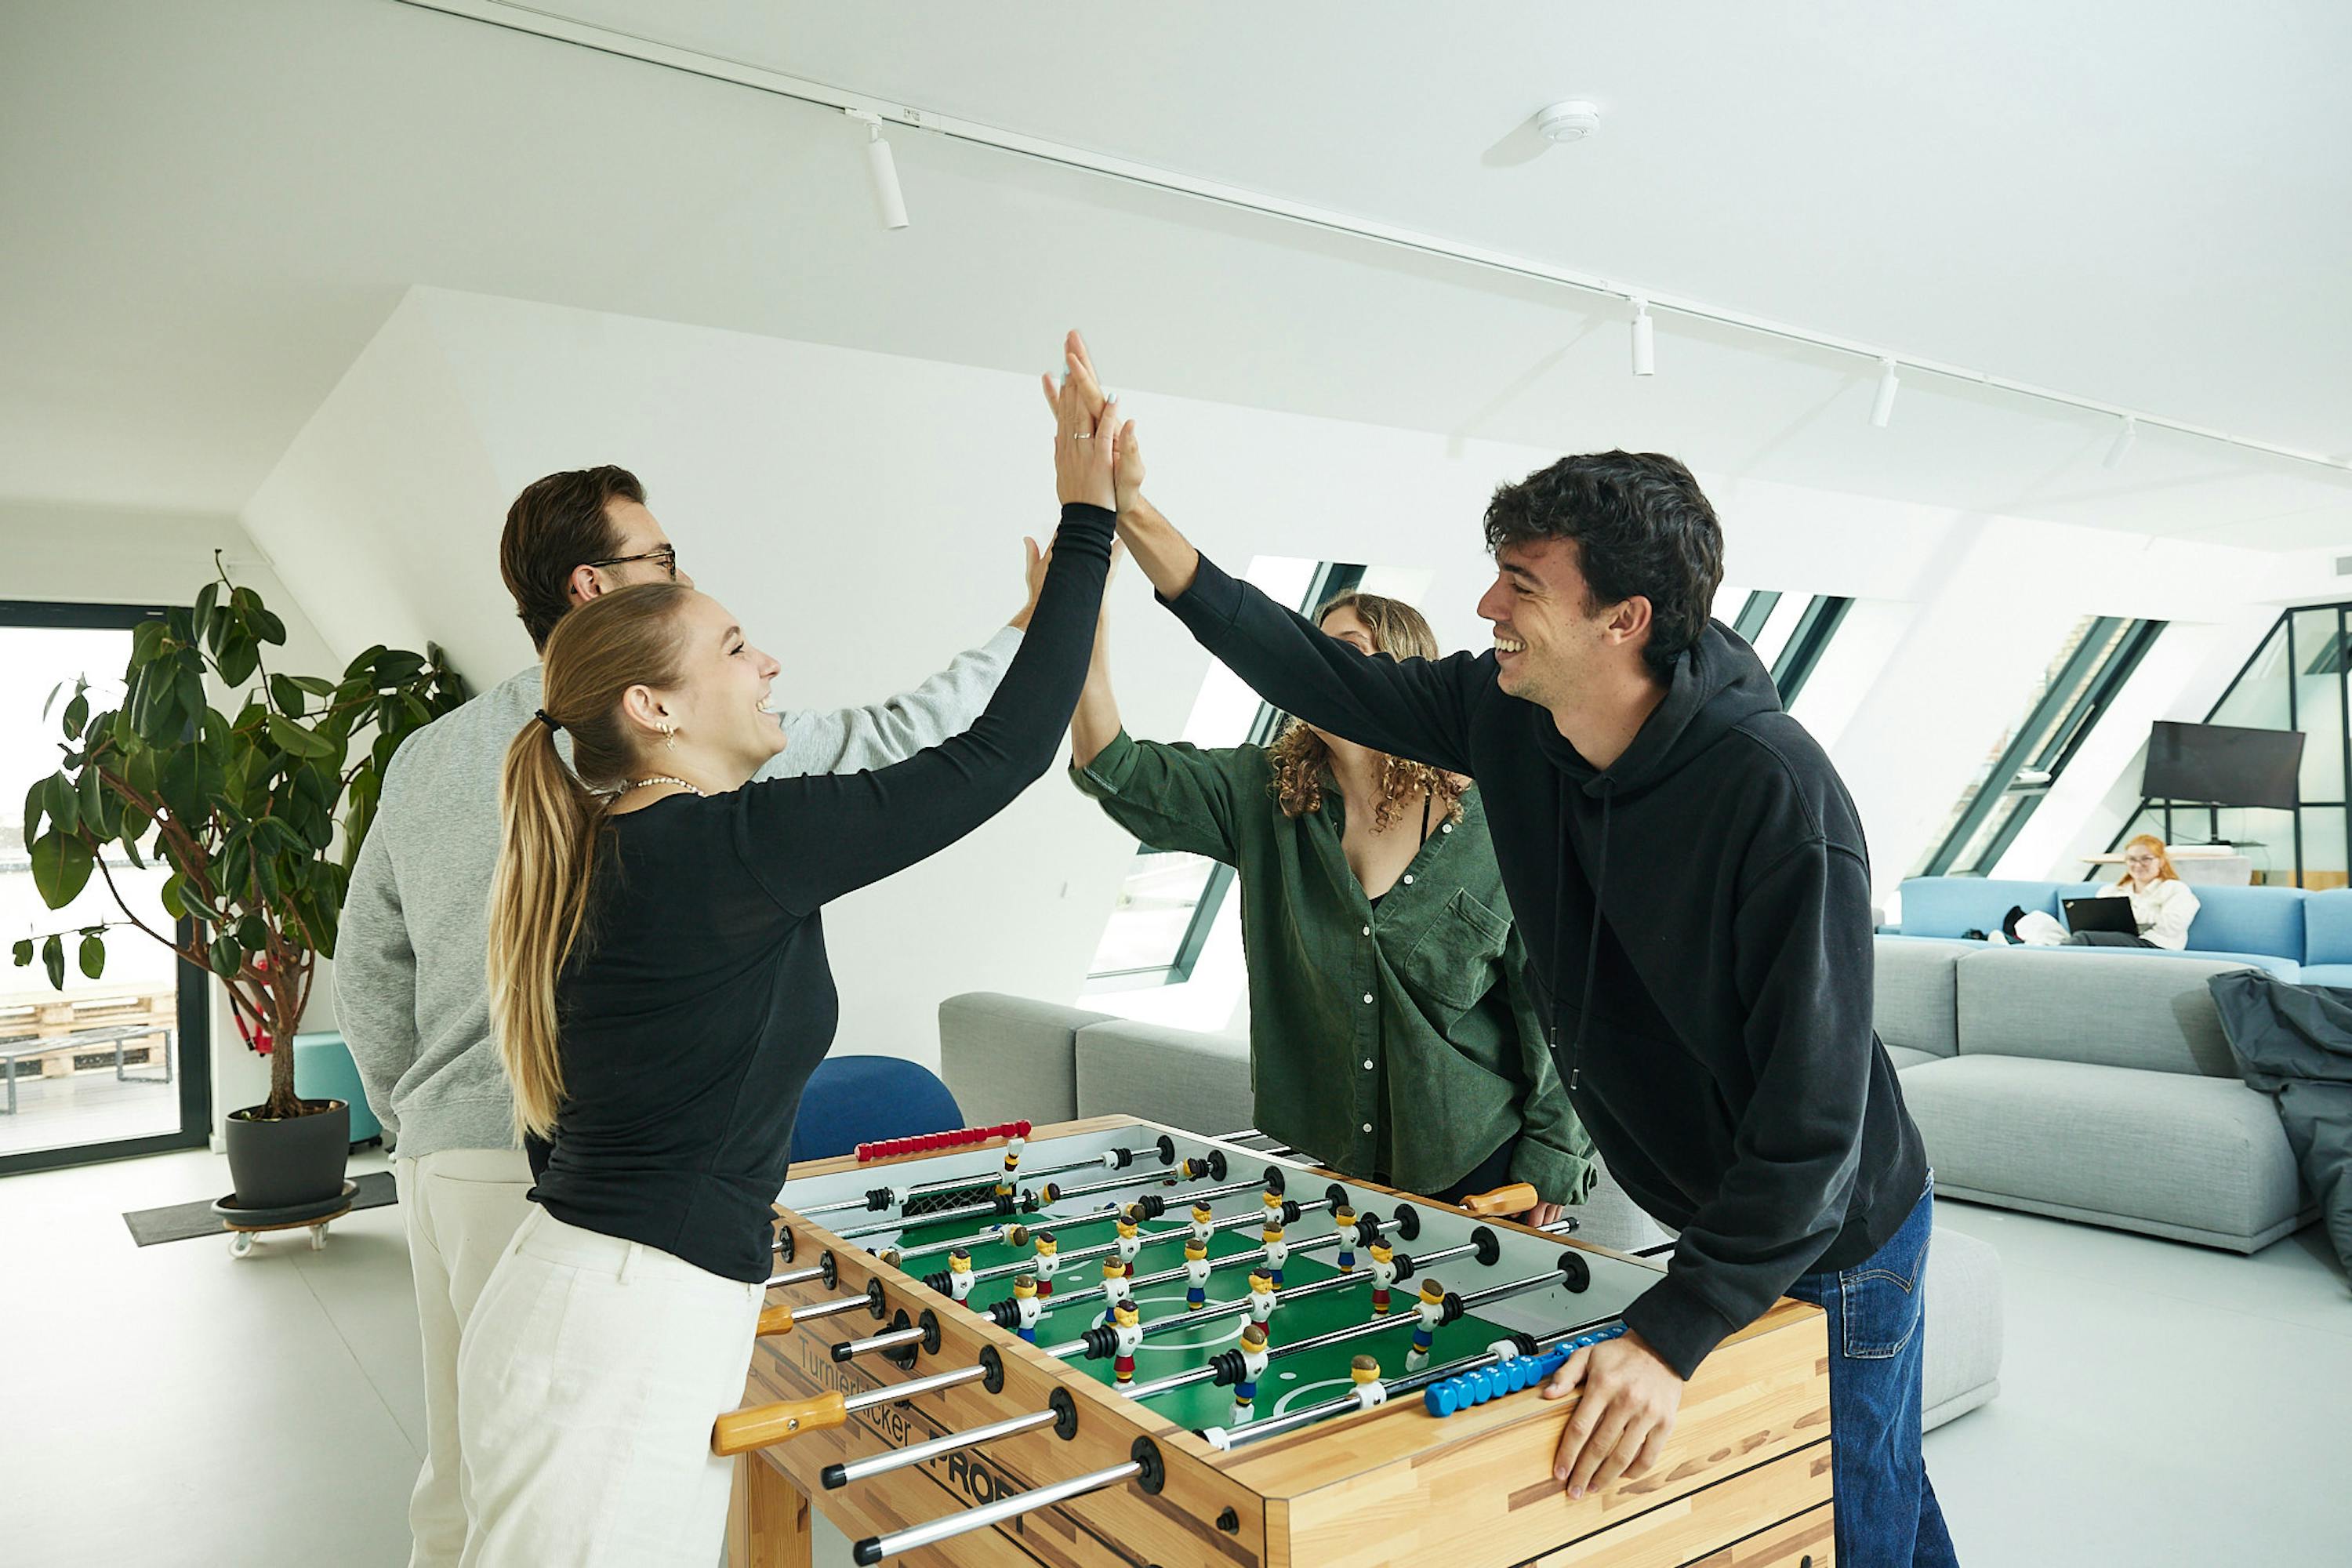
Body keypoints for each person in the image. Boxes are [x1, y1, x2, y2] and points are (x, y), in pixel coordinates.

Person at [1052, 331, 1952, 1566]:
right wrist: (1132, 512)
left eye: (1521, 584)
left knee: (1854, 1514)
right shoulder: (1507, 715)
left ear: (1623, 619)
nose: (1485, 609)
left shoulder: (1777, 799)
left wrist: (1672, 1330)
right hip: (1717, 1203)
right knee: (1879, 1491)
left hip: (1839, 1226)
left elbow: (1815, 1124)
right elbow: (1304, 661)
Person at [455, 382, 1121, 1563]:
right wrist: (1087, 523)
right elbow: (1004, 755)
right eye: (733, 648)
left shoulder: (623, 848)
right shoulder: (724, 848)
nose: (770, 662)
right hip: (618, 1321)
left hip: (597, 1298)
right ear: (654, 707)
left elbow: (558, 1138)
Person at [1067, 575, 1592, 1221]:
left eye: (1343, 646)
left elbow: (1557, 1018)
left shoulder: (1497, 822)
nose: (1312, 664)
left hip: (1480, 1167)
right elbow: (1115, 768)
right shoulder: (1264, 797)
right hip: (1338, 1171)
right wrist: (1079, 617)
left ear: (1401, 673)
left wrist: (1553, 1166)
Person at [1987, 834, 2200, 948]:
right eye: (2132, 859)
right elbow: (2097, 920)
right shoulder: (2113, 890)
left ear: (2161, 861)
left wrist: (2132, 915)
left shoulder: (2175, 889)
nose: (2138, 865)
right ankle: (2024, 944)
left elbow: (2173, 926)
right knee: (2039, 921)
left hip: (2155, 944)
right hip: (2113, 937)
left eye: (2146, 859)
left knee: (2083, 938)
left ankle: (2032, 952)